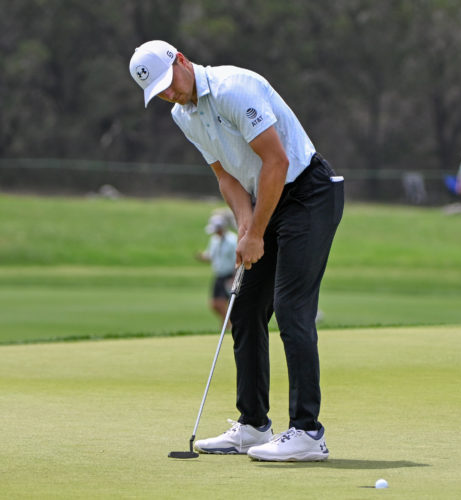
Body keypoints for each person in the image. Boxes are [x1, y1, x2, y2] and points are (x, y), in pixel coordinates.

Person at [129, 40, 344, 461]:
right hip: (266, 198)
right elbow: (225, 176)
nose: (168, 94)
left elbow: (277, 162)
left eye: (169, 82)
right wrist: (246, 225)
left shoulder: (232, 88)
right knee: (244, 308)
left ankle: (307, 432)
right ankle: (252, 425)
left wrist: (257, 232)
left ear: (182, 61)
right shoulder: (182, 114)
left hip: (307, 194)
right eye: (159, 92)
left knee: (291, 307)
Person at [196, 212, 238, 322]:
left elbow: (237, 260)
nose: (215, 232)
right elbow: (211, 255)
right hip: (219, 275)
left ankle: (229, 324)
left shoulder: (232, 240)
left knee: (224, 303)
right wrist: (202, 257)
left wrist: (234, 277)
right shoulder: (214, 240)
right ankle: (228, 323)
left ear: (222, 227)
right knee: (214, 304)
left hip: (230, 275)